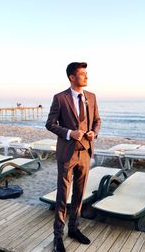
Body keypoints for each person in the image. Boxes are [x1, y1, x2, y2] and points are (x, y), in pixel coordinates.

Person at [46, 62, 101, 252]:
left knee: (79, 194)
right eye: (83, 74)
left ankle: (74, 229)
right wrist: (70, 133)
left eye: (87, 74)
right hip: (67, 154)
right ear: (72, 77)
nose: (86, 77)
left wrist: (94, 132)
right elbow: (50, 124)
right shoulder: (60, 98)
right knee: (62, 196)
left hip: (85, 153)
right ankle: (58, 237)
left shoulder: (91, 97)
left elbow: (97, 120)